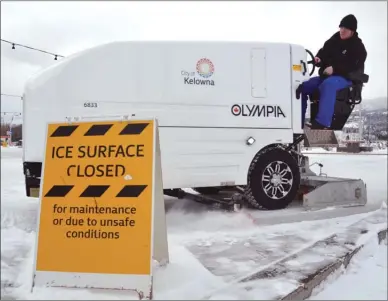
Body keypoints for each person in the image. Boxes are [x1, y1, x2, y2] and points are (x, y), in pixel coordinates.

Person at [297, 14, 367, 129]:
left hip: (347, 78)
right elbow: (323, 53)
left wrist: (335, 69)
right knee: (303, 87)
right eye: (341, 27)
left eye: (346, 28)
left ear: (352, 31)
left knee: (328, 85)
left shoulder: (358, 47)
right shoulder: (333, 41)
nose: (342, 30)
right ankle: (298, 123)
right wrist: (318, 59)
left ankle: (322, 122)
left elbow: (353, 66)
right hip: (326, 76)